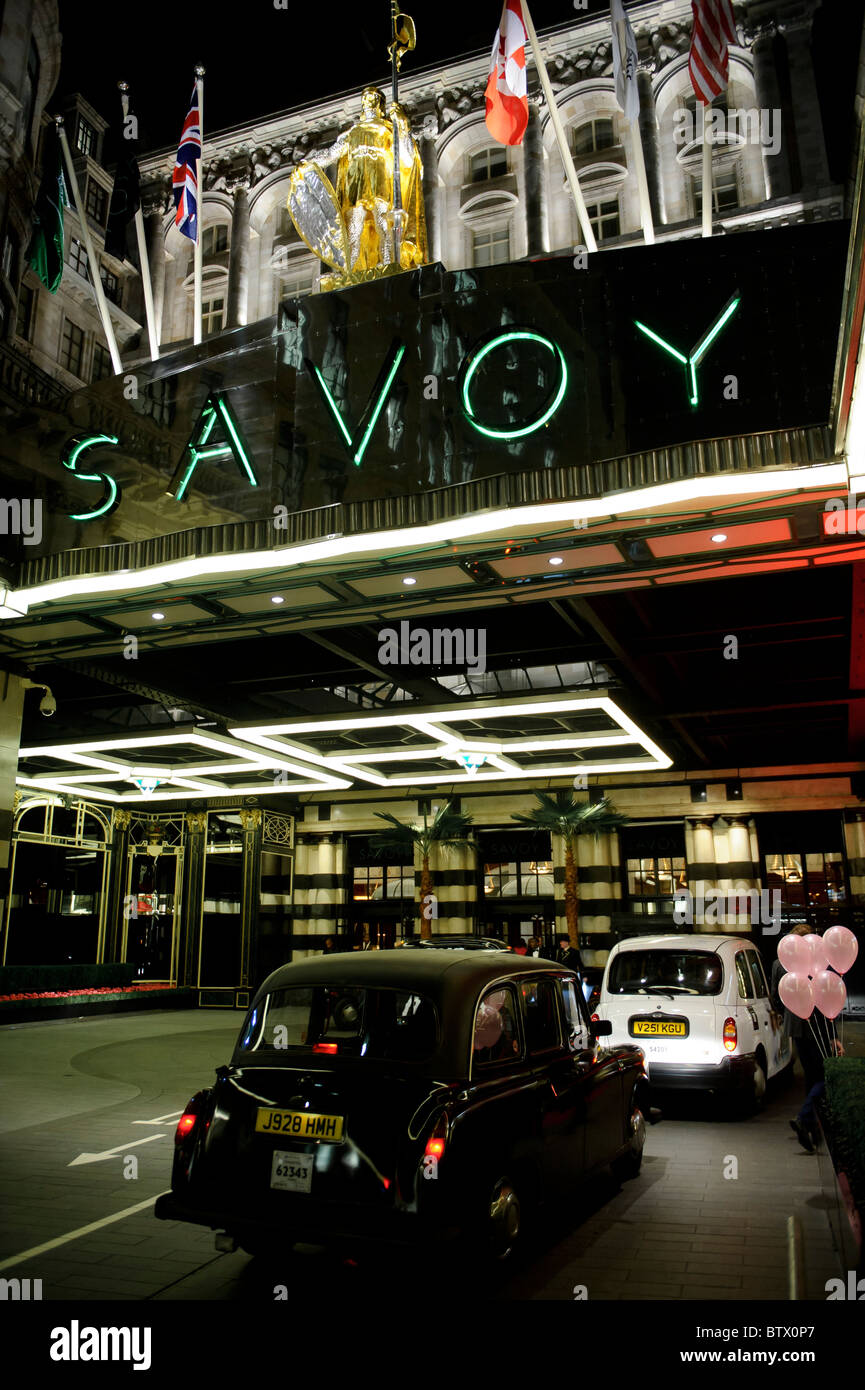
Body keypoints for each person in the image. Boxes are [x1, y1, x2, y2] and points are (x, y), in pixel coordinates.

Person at [771, 924, 824, 1153]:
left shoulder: (778, 964)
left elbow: (775, 997)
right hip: (816, 1024)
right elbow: (822, 996)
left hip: (795, 1025)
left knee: (812, 1076)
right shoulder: (814, 963)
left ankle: (811, 1125)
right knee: (824, 1076)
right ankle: (805, 1118)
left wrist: (785, 1015)